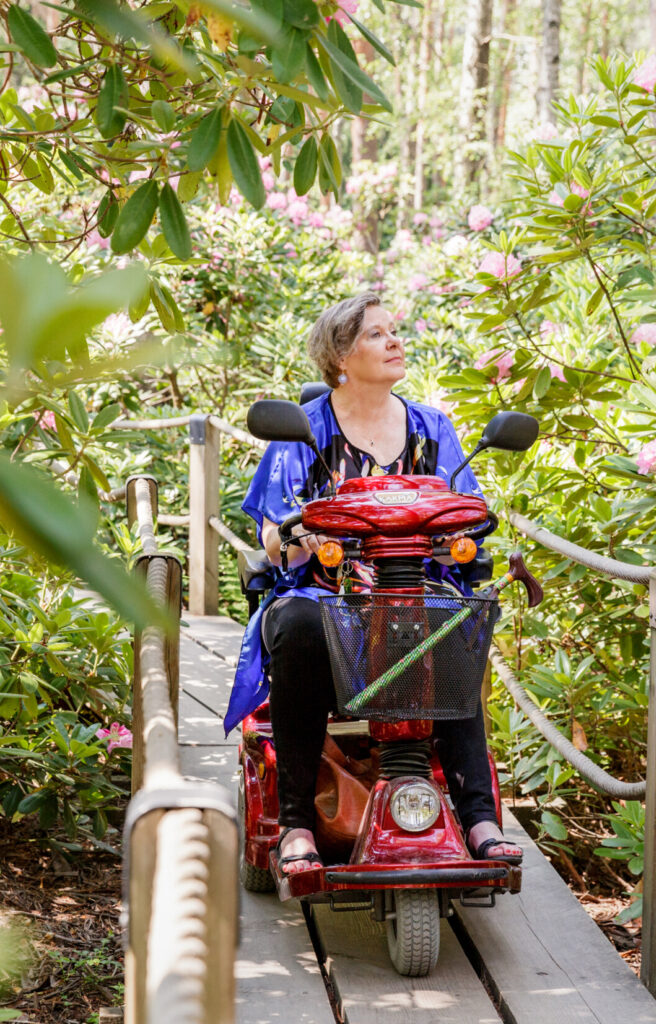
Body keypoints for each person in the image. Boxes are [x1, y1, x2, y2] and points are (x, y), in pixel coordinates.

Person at [226, 292, 523, 874]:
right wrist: (296, 537)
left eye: (395, 331)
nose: (394, 341)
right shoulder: (303, 430)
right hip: (327, 591)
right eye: (376, 334)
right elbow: (270, 530)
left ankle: (479, 815)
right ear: (339, 355)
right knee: (299, 625)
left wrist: (458, 536)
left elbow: (470, 511)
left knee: (454, 619)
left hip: (416, 585)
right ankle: (296, 826)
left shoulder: (431, 428)